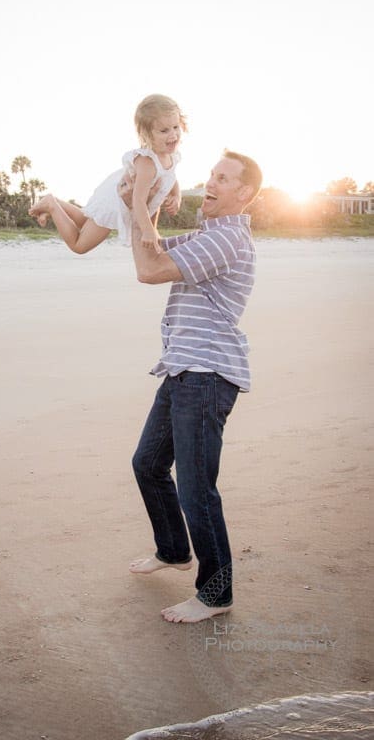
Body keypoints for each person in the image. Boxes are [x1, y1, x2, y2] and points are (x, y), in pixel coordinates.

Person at [122, 149, 263, 623]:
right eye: (211, 175)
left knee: (197, 489)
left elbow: (149, 270)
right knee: (148, 464)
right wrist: (140, 202)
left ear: (244, 192)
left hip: (206, 375)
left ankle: (216, 594)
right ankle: (173, 549)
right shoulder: (207, 234)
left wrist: (140, 204)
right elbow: (151, 248)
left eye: (223, 178)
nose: (211, 183)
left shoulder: (227, 240)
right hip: (182, 367)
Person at [28, 94, 187, 255]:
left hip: (113, 194)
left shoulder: (169, 155)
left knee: (84, 220)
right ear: (147, 134)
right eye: (164, 130)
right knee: (79, 245)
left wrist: (176, 196)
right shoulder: (147, 163)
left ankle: (55, 203)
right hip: (115, 203)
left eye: (176, 127)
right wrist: (148, 230)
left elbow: (170, 176)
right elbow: (138, 200)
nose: (173, 134)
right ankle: (52, 205)